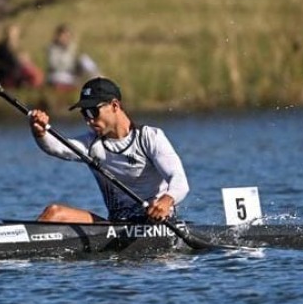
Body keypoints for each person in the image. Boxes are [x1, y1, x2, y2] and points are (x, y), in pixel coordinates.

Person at [28, 77, 189, 223]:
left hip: (155, 222)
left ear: (114, 105)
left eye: (93, 111)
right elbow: (57, 148)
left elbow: (180, 181)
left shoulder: (149, 137)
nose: (89, 120)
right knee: (53, 213)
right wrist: (40, 132)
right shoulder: (92, 145)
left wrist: (167, 200)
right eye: (84, 113)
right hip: (116, 225)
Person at [45, 23, 100, 90]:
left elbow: (76, 62)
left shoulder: (72, 47)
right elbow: (56, 66)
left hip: (72, 74)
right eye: (63, 36)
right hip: (58, 75)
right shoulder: (52, 49)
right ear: (58, 36)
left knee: (84, 58)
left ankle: (98, 78)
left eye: (67, 36)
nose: (65, 38)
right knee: (59, 77)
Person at [0, 24, 43, 89]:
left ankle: (32, 84)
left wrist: (25, 59)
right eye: (12, 33)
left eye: (15, 33)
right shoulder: (0, 47)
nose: (14, 35)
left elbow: (23, 59)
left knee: (33, 70)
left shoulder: (18, 45)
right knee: (28, 71)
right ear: (6, 33)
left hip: (18, 70)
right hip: (8, 73)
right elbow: (1, 62)